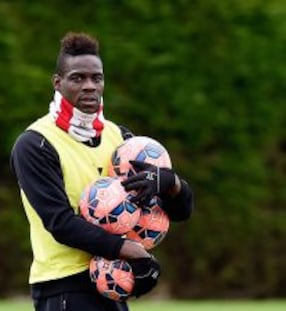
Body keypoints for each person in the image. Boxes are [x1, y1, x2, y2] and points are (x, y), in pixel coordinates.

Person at [10, 32, 194, 311]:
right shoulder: (35, 143)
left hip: (113, 282)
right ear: (57, 83)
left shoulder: (119, 138)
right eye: (77, 78)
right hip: (63, 287)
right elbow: (60, 223)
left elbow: (180, 213)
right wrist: (130, 251)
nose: (89, 87)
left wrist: (171, 184)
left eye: (96, 78)